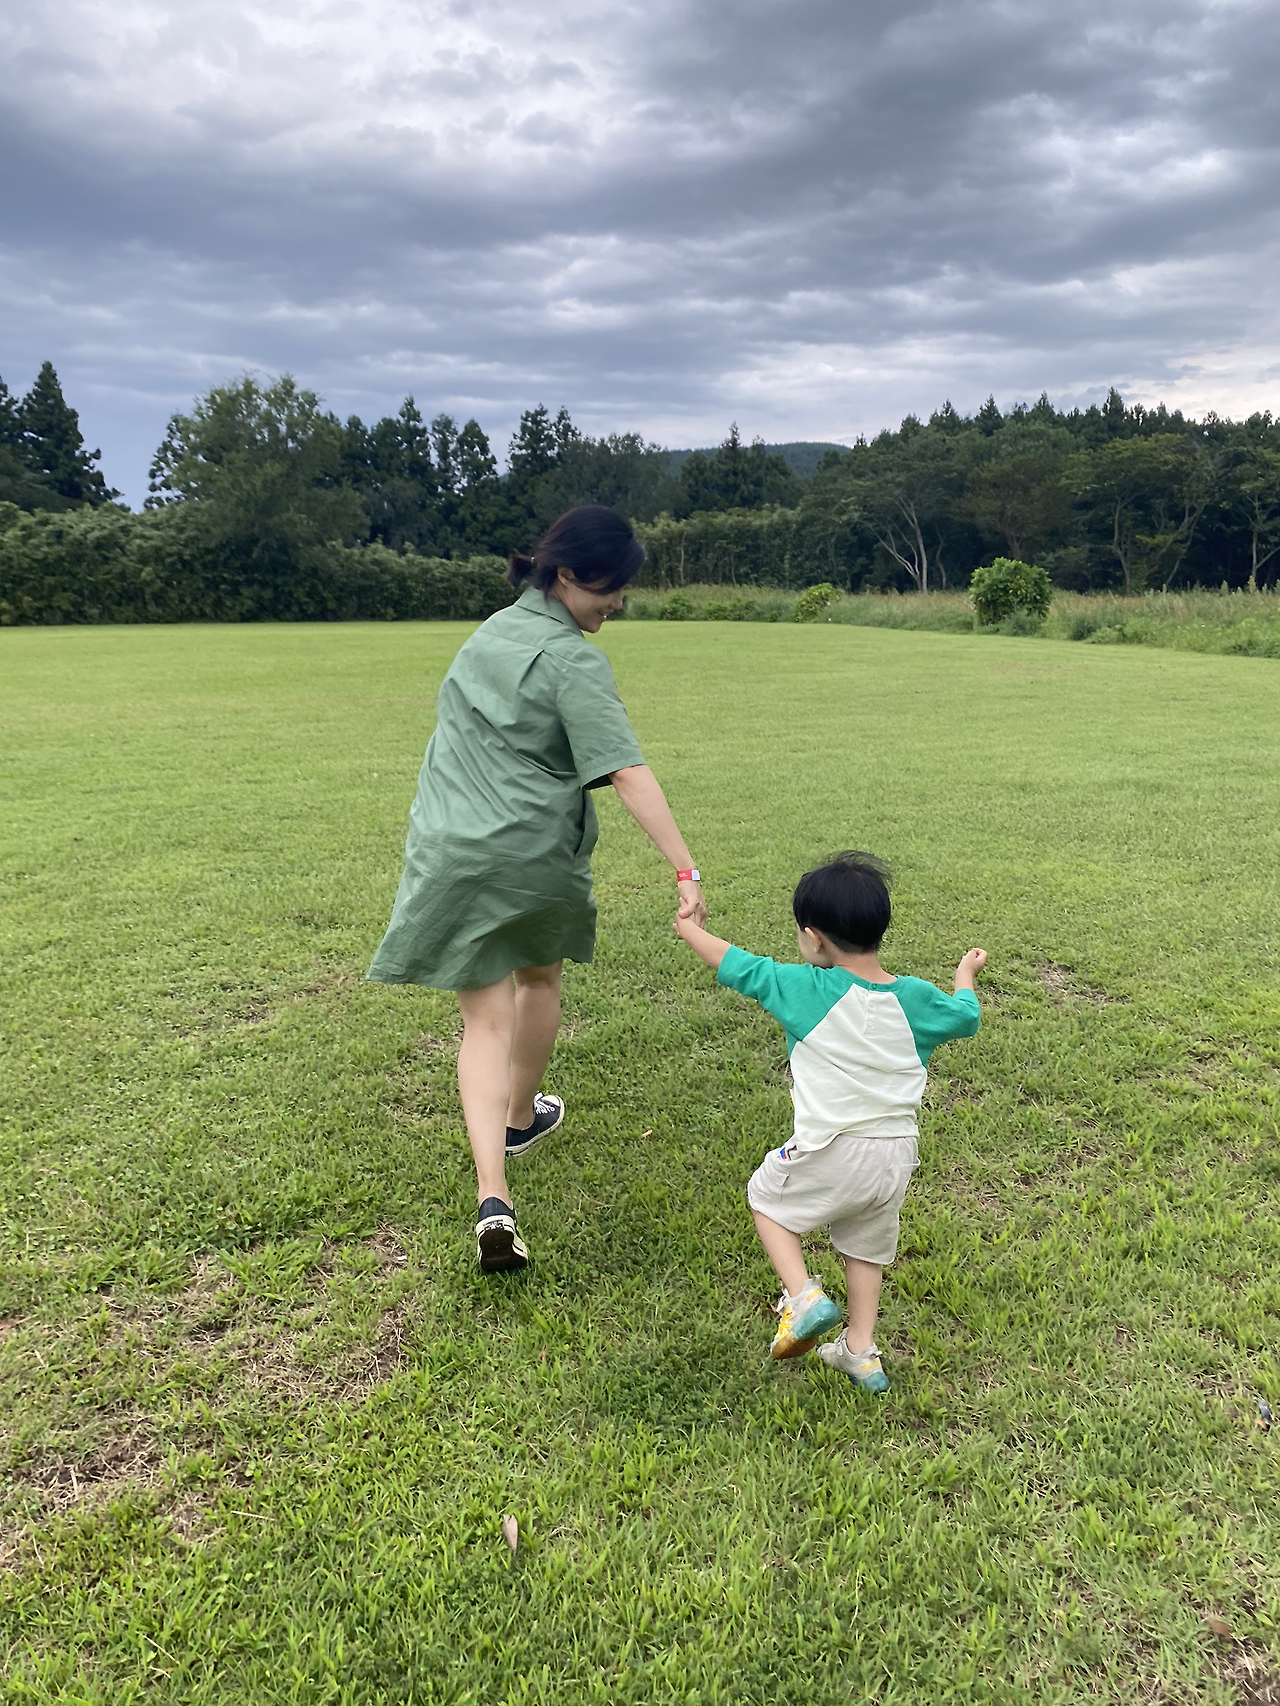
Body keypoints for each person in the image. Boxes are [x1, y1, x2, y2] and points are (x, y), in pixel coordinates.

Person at [368, 506, 706, 1272]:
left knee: (482, 1024)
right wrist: (685, 868)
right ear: (567, 574)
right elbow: (625, 770)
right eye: (609, 588)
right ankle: (520, 1117)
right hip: (533, 853)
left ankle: (494, 1195)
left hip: (453, 849)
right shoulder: (573, 660)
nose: (617, 603)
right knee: (539, 979)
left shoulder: (488, 634)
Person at [673, 851, 985, 1392]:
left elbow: (737, 965)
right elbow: (968, 1016)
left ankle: (802, 1298)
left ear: (813, 938)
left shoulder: (808, 989)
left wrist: (688, 928)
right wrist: (964, 977)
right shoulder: (915, 998)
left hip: (833, 1146)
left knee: (766, 1200)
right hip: (895, 1156)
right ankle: (860, 1353)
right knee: (864, 1246)